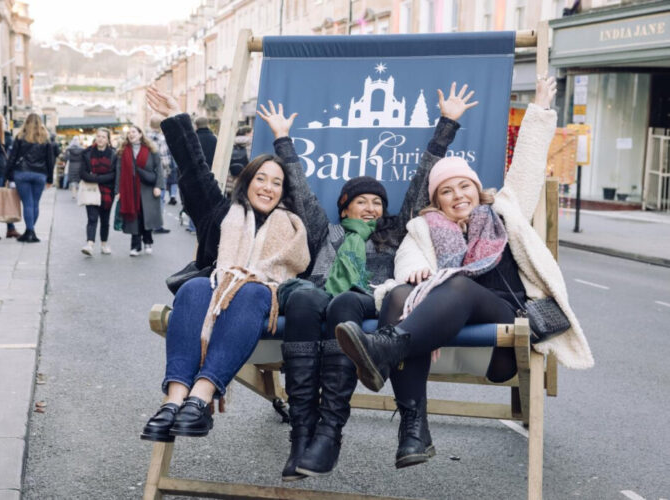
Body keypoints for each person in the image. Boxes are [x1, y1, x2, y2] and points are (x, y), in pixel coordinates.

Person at [335, 77, 594, 469]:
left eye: (464, 187)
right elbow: (407, 263)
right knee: (400, 295)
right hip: (442, 326)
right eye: (447, 191)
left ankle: (385, 348)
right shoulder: (423, 227)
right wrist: (418, 271)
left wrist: (540, 109)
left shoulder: (504, 211)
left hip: (505, 322)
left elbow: (526, 165)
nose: (458, 196)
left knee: (456, 282)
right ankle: (413, 431)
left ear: (477, 189)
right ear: (436, 200)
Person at [256, 83, 476, 481]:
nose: (372, 207)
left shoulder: (393, 232)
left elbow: (420, 182)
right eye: (363, 201)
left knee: (343, 305)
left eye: (377, 202)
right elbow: (301, 190)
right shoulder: (327, 232)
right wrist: (282, 139)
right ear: (345, 206)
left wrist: (448, 124)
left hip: (367, 301)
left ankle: (329, 432)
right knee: (305, 298)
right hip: (316, 297)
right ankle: (302, 431)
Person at [140, 86, 310, 442]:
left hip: (266, 303)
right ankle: (173, 403)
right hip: (215, 296)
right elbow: (192, 169)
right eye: (259, 179)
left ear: (284, 191)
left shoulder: (295, 223)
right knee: (195, 287)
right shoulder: (222, 214)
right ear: (246, 183)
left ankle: (200, 399)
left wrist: (283, 140)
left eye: (276, 183)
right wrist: (175, 117)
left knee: (249, 291)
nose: (267, 187)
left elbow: (302, 192)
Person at [114, 125, 165, 256]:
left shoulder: (151, 149)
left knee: (145, 216)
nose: (131, 134)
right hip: (129, 189)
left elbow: (158, 169)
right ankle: (135, 246)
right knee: (133, 217)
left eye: (134, 132)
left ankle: (147, 241)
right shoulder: (123, 151)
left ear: (140, 134)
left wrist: (158, 186)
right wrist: (118, 190)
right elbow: (119, 171)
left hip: (148, 189)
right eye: (129, 133)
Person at [5, 113, 54, 243]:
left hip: (22, 173)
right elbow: (50, 160)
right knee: (35, 203)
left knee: (27, 203)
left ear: (26, 122)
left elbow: (12, 157)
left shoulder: (20, 137)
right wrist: (50, 179)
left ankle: (29, 231)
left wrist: (8, 175)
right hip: (40, 174)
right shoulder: (45, 138)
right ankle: (31, 231)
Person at [80, 128, 117, 256]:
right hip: (91, 189)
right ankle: (89, 244)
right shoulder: (87, 153)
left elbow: (114, 174)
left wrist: (97, 178)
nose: (100, 139)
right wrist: (97, 179)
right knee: (92, 218)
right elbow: (83, 173)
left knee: (105, 219)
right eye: (98, 136)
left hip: (108, 191)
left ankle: (104, 243)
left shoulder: (114, 154)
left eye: (103, 137)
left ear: (108, 140)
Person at [225, 125, 252, 195]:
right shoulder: (251, 144)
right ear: (246, 133)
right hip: (246, 178)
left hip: (230, 179)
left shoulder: (229, 143)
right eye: (251, 133)